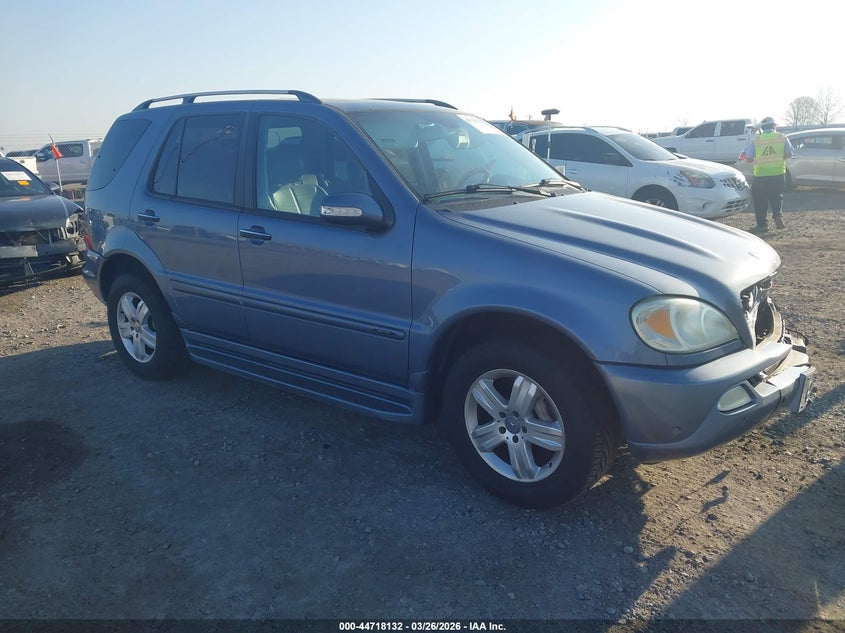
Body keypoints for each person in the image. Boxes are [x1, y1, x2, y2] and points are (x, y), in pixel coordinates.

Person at [744, 116, 794, 233]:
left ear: (762, 128)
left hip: (761, 175)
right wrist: (778, 159)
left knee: (760, 200)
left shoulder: (756, 140)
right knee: (777, 196)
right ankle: (777, 215)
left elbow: (749, 159)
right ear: (774, 126)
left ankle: (762, 225)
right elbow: (789, 153)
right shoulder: (782, 137)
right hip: (778, 173)